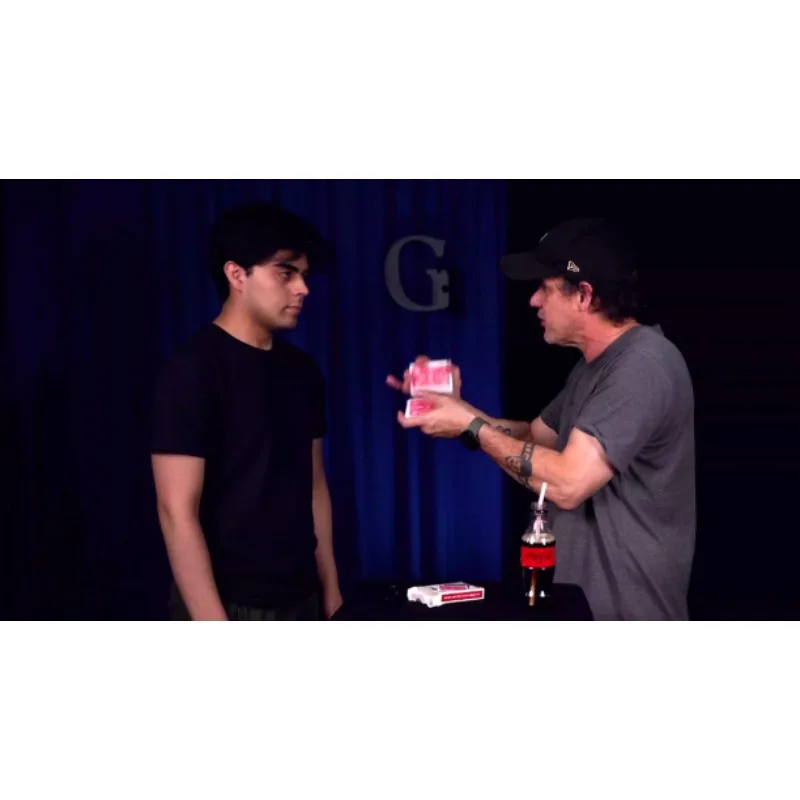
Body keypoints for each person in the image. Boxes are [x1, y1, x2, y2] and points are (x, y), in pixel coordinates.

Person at [388, 218, 696, 621]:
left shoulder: (642, 366)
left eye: (545, 288)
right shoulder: (594, 367)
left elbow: (567, 484)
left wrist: (469, 426)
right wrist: (458, 408)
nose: (533, 301)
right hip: (579, 611)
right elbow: (535, 439)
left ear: (584, 295)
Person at [151, 202, 342, 621]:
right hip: (227, 601)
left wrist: (331, 587)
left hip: (301, 596)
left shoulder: (303, 372)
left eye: (304, 275)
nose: (302, 289)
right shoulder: (192, 370)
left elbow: (314, 485)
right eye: (285, 273)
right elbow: (176, 511)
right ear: (237, 274)